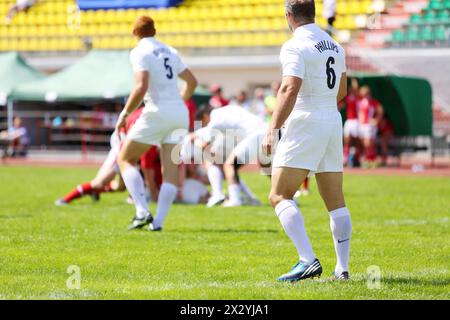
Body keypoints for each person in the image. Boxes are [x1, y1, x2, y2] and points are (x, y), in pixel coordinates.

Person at [262, 0, 351, 282]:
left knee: (279, 194)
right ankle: (343, 268)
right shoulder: (335, 45)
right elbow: (342, 90)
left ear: (288, 15)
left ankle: (307, 259)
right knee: (336, 201)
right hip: (332, 118)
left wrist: (272, 128)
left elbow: (289, 87)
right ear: (313, 13)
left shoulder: (294, 45)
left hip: (307, 117)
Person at [115, 15, 198, 232]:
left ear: (135, 33)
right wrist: (181, 100)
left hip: (157, 110)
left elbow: (140, 87)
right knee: (170, 171)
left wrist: (125, 113)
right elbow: (192, 81)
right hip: (179, 113)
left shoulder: (139, 51)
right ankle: (158, 222)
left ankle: (141, 211)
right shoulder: (170, 50)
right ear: (155, 30)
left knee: (125, 158)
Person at [358, 86, 384, 167]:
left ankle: (370, 159)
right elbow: (360, 113)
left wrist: (376, 120)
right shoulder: (361, 102)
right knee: (365, 144)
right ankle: (370, 159)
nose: (365, 95)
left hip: (369, 125)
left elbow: (380, 111)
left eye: (366, 94)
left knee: (369, 143)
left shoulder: (373, 102)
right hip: (362, 125)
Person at [342, 78, 362, 167]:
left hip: (356, 121)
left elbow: (356, 88)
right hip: (349, 121)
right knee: (346, 140)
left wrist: (354, 78)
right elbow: (341, 104)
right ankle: (345, 159)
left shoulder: (358, 96)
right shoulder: (347, 97)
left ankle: (357, 158)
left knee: (356, 141)